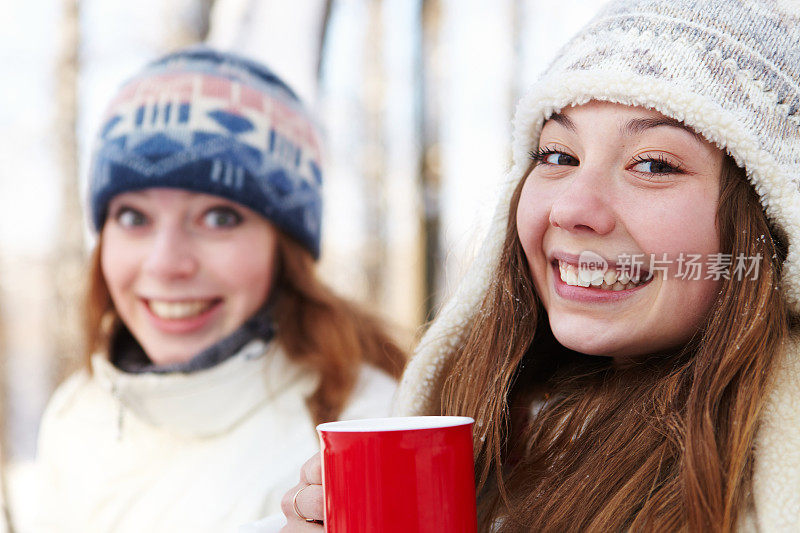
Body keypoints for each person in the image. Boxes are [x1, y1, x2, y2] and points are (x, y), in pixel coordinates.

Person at [282, 0, 800, 531]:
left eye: (652, 164)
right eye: (557, 155)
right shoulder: (494, 431)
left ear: (776, 220)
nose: (572, 208)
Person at [32, 46, 405, 533]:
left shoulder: (371, 430)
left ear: (284, 248)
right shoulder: (75, 417)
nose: (166, 264)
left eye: (219, 217)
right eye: (133, 216)